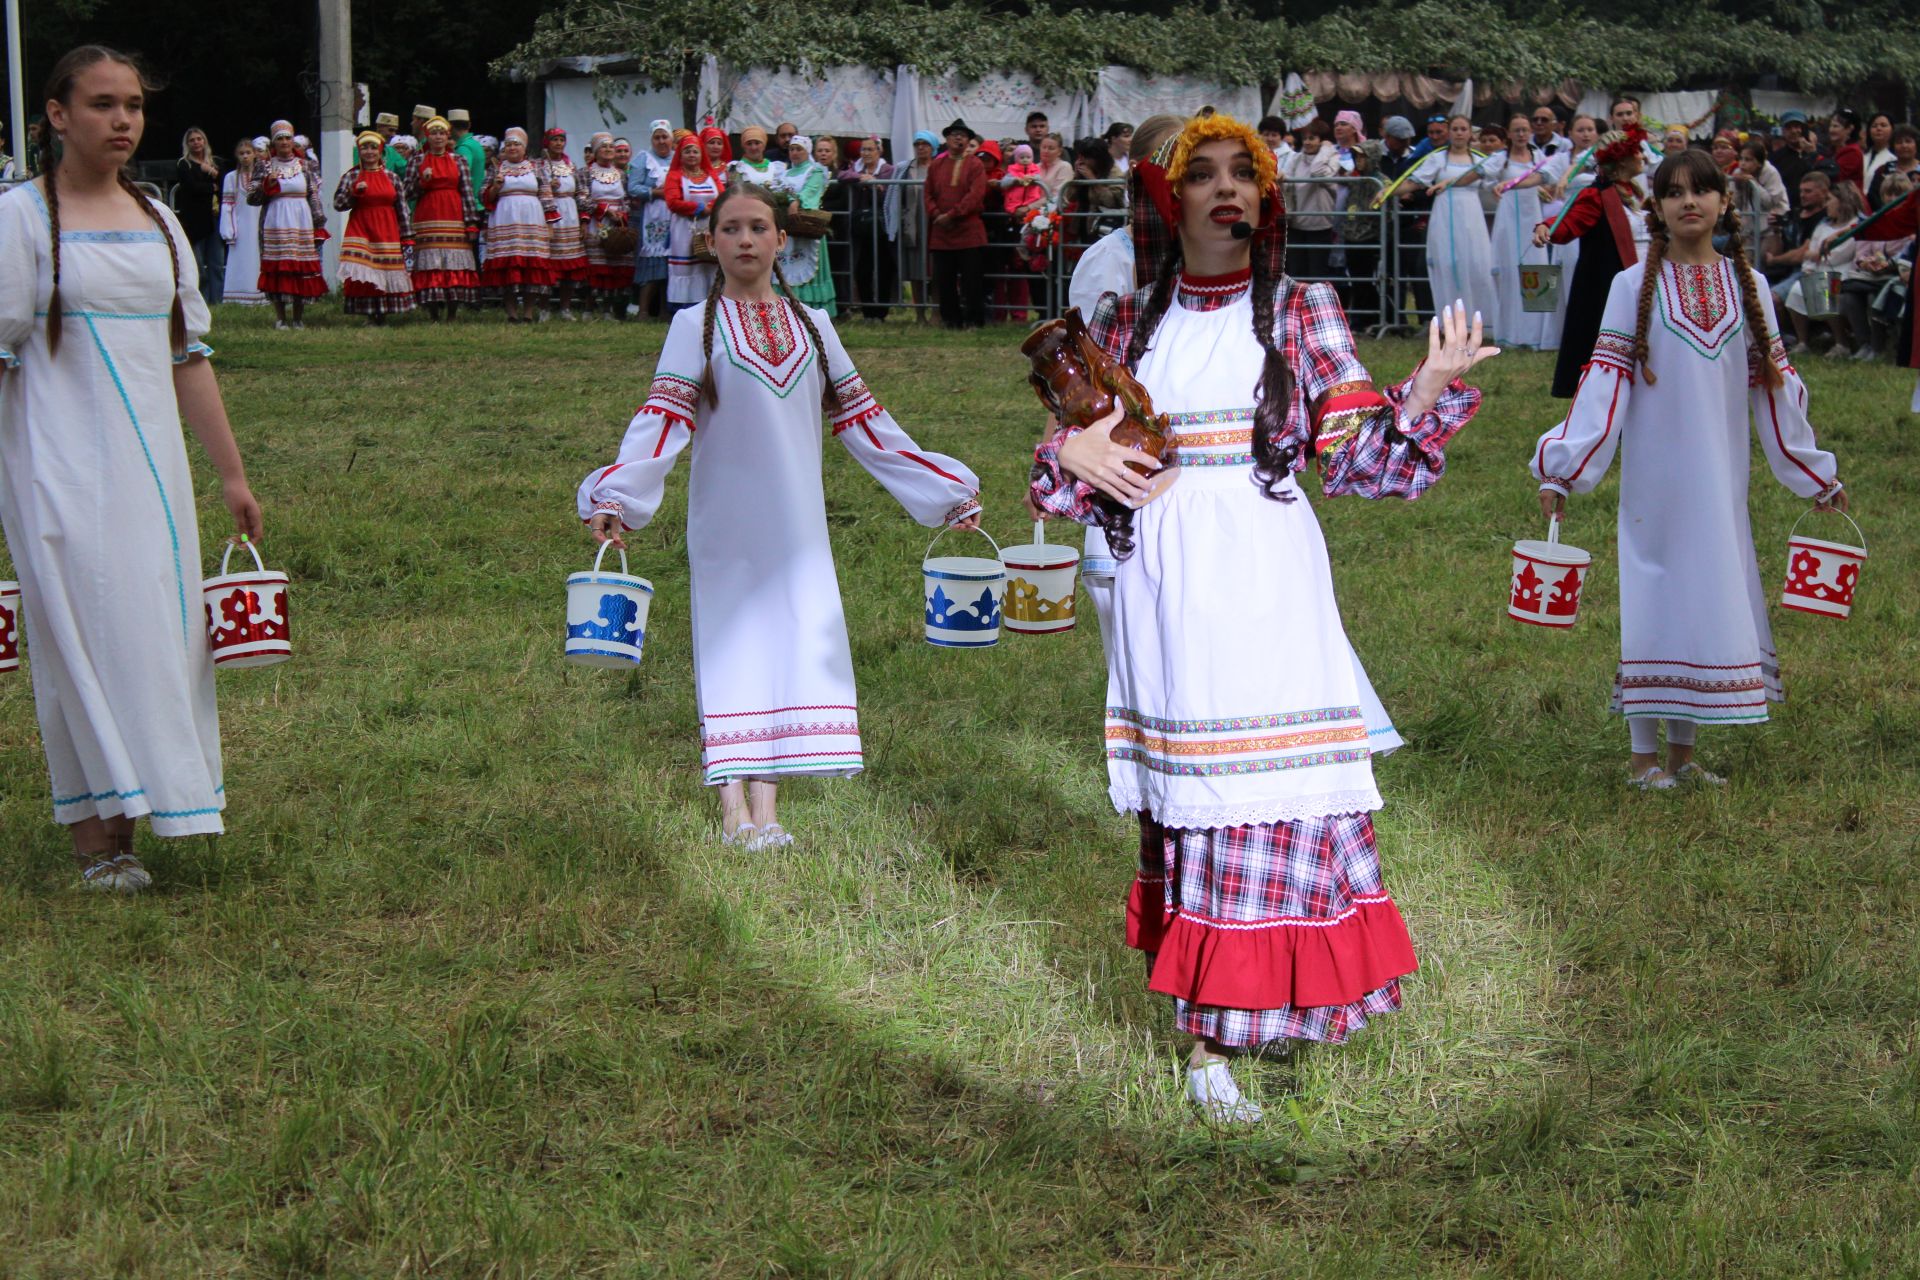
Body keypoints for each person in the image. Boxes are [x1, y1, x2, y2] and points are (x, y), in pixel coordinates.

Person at [1029, 111, 1490, 1124]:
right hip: (1169, 581)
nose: (1227, 190)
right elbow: (1059, 462)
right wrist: (1071, 457)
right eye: (1206, 176)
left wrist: (1427, 387)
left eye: (1247, 174)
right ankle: (1205, 1047)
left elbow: (1362, 459)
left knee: (1282, 792)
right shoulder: (1122, 322)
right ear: (1172, 197)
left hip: (1274, 568)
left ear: (1268, 196)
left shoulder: (1304, 308)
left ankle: (1275, 1011)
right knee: (1201, 799)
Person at [578, 181, 983, 850]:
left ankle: (770, 810)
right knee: (733, 643)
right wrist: (617, 494)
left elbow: (864, 420)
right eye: (730, 228)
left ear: (780, 240)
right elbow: (663, 420)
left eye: (757, 228)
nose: (745, 240)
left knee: (791, 638)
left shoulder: (813, 327)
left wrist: (945, 491)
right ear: (710, 242)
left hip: (798, 521)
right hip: (727, 521)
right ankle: (733, 811)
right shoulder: (693, 325)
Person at [0, 45, 264, 892]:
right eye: (104, 104)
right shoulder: (19, 220)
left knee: (156, 633)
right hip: (56, 467)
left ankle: (152, 804)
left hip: (150, 472)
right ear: (56, 114)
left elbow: (188, 355)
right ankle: (97, 839)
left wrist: (231, 476)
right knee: (78, 633)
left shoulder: (157, 217)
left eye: (134, 107)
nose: (122, 121)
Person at [1532, 150, 1845, 790]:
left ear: (1724, 202)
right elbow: (1604, 387)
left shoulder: (1748, 286)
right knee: (1655, 598)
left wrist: (1815, 474)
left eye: (1702, 190)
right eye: (1673, 193)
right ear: (1658, 207)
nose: (1689, 202)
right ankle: (1643, 760)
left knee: (1704, 596)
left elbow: (1777, 389)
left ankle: (1682, 758)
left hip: (1722, 478)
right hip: (1657, 480)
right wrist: (1562, 469)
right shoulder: (1629, 287)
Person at [1535, 128, 1648, 397]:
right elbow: (1570, 221)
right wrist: (1546, 227)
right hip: (1612, 282)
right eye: (1637, 152)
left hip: (1647, 276)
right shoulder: (1597, 195)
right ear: (1622, 161)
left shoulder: (1636, 193)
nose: (1643, 156)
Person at [1410, 116, 1497, 328]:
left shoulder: (1479, 160)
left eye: (1463, 129)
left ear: (1470, 133)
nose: (1459, 133)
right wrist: (1389, 191)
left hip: (1471, 215)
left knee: (1476, 263)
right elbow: (1415, 181)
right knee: (1448, 264)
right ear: (1450, 133)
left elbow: (1497, 183)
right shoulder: (1438, 158)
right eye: (1455, 129)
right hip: (1444, 214)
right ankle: (1450, 321)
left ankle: (1480, 321)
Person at [1486, 112, 1556, 349]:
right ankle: (1509, 333)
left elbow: (1547, 181)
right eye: (1516, 130)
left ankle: (1536, 334)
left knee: (1536, 269)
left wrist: (1541, 190)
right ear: (1509, 133)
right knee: (1508, 271)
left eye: (1525, 130)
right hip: (1508, 217)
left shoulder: (1539, 157)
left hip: (1532, 217)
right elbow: (1485, 179)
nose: (1521, 134)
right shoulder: (1500, 159)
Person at [249, 120, 327, 328]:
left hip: (301, 220)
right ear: (274, 143)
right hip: (275, 219)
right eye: (280, 139)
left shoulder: (306, 165)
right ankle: (281, 318)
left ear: (293, 141)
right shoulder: (265, 165)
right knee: (279, 268)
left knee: (299, 267)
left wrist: (319, 219)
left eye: (287, 138)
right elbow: (251, 197)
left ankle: (298, 317)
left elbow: (313, 194)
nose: (284, 142)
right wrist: (267, 186)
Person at [404, 116, 482, 321]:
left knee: (453, 262)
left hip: (453, 214)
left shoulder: (459, 160)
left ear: (448, 136)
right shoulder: (417, 160)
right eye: (433, 133)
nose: (437, 137)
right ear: (427, 137)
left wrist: (471, 221)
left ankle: (452, 313)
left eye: (441, 133)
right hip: (427, 215)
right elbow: (405, 193)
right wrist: (422, 182)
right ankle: (433, 314)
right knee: (430, 264)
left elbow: (467, 191)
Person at [333, 130, 414, 324]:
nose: (369, 152)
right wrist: (354, 193)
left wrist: (407, 234)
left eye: (373, 148)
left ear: (380, 151)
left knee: (384, 268)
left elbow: (402, 207)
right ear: (359, 151)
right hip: (362, 226)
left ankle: (383, 313)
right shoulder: (352, 176)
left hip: (386, 227)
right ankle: (369, 313)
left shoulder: (392, 177)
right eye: (364, 148)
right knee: (365, 269)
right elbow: (338, 203)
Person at [480, 127, 557, 323]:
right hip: (504, 218)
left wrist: (550, 224)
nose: (513, 148)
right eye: (509, 145)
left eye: (517, 144)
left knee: (531, 264)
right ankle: (511, 312)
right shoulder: (495, 168)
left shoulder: (536, 167)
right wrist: (495, 187)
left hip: (532, 219)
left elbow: (546, 195)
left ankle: (529, 312)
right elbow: (484, 197)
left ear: (524, 148)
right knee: (508, 265)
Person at [1780, 180, 1862, 351]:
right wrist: (1809, 266)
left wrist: (1817, 254)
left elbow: (1839, 255)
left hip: (1842, 271)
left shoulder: (1854, 225)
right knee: (1796, 291)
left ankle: (1841, 342)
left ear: (1842, 201)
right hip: (1817, 270)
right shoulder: (1823, 225)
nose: (1827, 205)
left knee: (1824, 289)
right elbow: (1811, 251)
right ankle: (1803, 341)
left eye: (1830, 200)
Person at [925, 118, 987, 329]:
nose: (958, 138)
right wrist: (936, 215)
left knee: (972, 280)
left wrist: (952, 215)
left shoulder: (976, 164)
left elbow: (975, 196)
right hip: (941, 232)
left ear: (969, 140)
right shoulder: (936, 164)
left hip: (968, 230)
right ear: (947, 139)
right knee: (944, 279)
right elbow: (928, 193)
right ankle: (950, 319)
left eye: (962, 135)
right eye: (954, 134)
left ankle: (974, 319)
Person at [1377, 115, 1432, 323]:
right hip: (1384, 224)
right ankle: (1394, 320)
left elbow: (1423, 186)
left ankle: (1424, 318)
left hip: (1409, 221)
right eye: (1400, 140)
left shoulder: (1416, 157)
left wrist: (1410, 196)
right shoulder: (1376, 155)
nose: (1404, 144)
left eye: (1407, 140)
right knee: (1390, 272)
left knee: (1416, 269)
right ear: (1388, 137)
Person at [774, 135, 836, 316]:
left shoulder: (815, 171)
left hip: (807, 227)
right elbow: (778, 192)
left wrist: (797, 201)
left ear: (807, 151)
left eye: (799, 149)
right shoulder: (783, 173)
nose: (794, 153)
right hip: (788, 228)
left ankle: (812, 310)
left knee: (807, 263)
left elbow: (811, 190)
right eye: (792, 149)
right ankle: (787, 308)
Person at [664, 129, 721, 313]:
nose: (691, 155)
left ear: (701, 154)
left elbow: (721, 194)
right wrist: (698, 208)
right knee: (686, 269)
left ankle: (711, 305)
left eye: (695, 151)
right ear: (680, 154)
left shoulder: (710, 174)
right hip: (684, 227)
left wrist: (710, 208)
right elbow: (672, 201)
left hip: (708, 226)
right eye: (687, 151)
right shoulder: (674, 176)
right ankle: (685, 308)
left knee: (709, 264)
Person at [840, 135, 896, 321]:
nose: (866, 153)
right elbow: (842, 175)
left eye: (870, 149)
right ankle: (868, 310)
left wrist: (877, 185)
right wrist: (861, 178)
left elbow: (891, 193)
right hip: (861, 227)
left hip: (882, 226)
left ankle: (881, 311)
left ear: (879, 151)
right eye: (863, 149)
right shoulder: (856, 167)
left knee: (884, 269)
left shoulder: (888, 169)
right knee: (862, 270)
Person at [581, 132, 635, 319]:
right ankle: (588, 308)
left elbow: (627, 198)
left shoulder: (620, 174)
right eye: (604, 147)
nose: (608, 150)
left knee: (613, 266)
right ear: (595, 151)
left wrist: (622, 214)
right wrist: (604, 211)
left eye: (611, 147)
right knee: (596, 265)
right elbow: (582, 198)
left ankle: (607, 309)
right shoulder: (586, 173)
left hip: (617, 223)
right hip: (597, 222)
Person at [539, 128, 589, 320]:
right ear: (547, 142)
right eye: (554, 140)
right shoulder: (540, 165)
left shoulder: (572, 167)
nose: (558, 143)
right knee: (549, 264)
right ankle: (544, 308)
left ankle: (565, 307)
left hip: (570, 215)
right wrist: (546, 188)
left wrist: (583, 219)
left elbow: (581, 193)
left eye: (561, 140)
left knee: (570, 265)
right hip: (550, 214)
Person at [175, 127, 224, 305]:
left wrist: (211, 172)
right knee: (198, 264)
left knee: (216, 262)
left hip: (215, 217)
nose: (196, 142)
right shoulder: (184, 164)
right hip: (194, 220)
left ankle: (217, 300)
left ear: (204, 141)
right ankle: (200, 300)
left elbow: (224, 182)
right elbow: (190, 187)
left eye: (199, 139)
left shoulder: (215, 163)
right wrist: (211, 187)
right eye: (192, 140)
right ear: (187, 144)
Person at [632, 121, 675, 317]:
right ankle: (643, 310)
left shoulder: (678, 159)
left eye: (664, 137)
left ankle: (665, 311)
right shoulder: (644, 159)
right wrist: (654, 192)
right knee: (652, 262)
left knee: (670, 265)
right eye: (657, 137)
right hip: (652, 216)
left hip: (674, 216)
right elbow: (632, 187)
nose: (661, 141)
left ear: (671, 139)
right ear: (652, 140)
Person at [218, 136, 264, 305]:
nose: (245, 156)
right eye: (241, 153)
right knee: (241, 258)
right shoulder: (231, 177)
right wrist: (228, 229)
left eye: (248, 152)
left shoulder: (261, 176)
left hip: (259, 221)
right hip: (241, 223)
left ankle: (262, 293)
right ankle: (240, 295)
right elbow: (227, 204)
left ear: (254, 154)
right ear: (237, 156)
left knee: (259, 257)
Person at [900, 130, 937, 321]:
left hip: (934, 224)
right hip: (913, 225)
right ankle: (920, 313)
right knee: (915, 270)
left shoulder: (939, 167)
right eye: (917, 144)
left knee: (935, 269)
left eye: (925, 144)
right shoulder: (907, 168)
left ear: (933, 147)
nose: (921, 147)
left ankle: (936, 311)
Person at [1868, 124, 1919, 208]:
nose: (1904, 145)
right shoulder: (1883, 170)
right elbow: (1873, 198)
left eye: (1908, 141)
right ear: (1893, 146)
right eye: (1899, 142)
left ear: (1916, 145)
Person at [447, 108, 486, 203]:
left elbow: (460, 175)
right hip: (478, 201)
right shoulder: (475, 144)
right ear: (469, 125)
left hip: (468, 202)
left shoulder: (463, 148)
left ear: (450, 127)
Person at [1863, 113, 1896, 192]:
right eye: (1874, 126)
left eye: (1883, 125)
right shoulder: (1861, 155)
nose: (1878, 128)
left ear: (1892, 130)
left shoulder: (1894, 159)